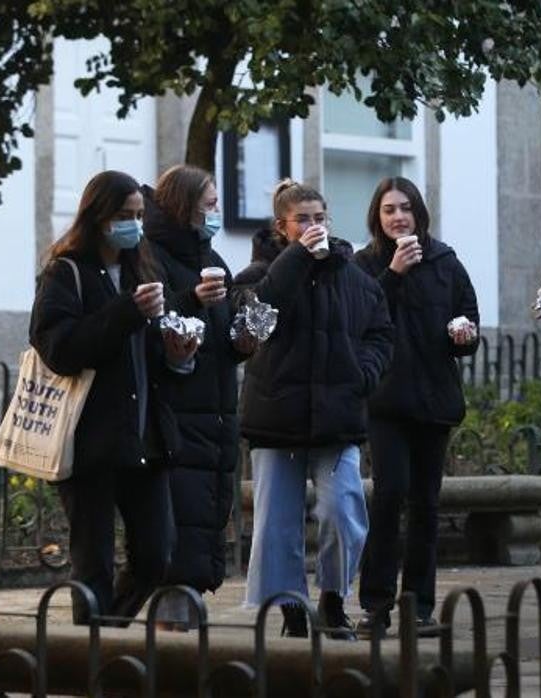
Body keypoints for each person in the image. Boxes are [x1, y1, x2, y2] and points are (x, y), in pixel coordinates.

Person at [29, 170, 196, 626]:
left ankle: (107, 637)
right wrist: (125, 313)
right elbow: (59, 349)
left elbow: (150, 359)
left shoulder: (143, 270)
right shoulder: (66, 273)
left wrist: (179, 356)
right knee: (93, 566)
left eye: (140, 216)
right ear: (98, 216)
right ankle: (91, 664)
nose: (134, 226)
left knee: (156, 555)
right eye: (124, 215)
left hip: (144, 439)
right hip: (90, 442)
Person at [236, 179, 393, 640]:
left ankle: (331, 599)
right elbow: (256, 318)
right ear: (281, 227)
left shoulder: (353, 276)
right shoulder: (258, 275)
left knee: (343, 510)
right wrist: (296, 258)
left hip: (336, 417)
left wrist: (362, 375)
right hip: (275, 418)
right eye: (302, 219)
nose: (313, 227)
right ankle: (291, 611)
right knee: (277, 525)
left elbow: (380, 333)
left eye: (319, 218)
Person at [352, 177, 480, 636]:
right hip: (386, 400)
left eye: (405, 208)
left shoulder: (445, 261)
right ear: (378, 217)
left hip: (434, 398)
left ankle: (418, 607)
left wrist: (465, 336)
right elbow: (358, 317)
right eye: (389, 209)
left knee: (426, 503)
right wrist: (395, 273)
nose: (398, 217)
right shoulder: (364, 265)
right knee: (389, 495)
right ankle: (375, 604)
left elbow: (468, 317)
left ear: (419, 213)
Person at [141, 165, 257, 628]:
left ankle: (183, 612)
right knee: (179, 520)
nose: (216, 212)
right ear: (184, 206)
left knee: (204, 514)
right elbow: (156, 320)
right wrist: (191, 299)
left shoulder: (211, 255)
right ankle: (171, 623)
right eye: (210, 204)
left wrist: (242, 342)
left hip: (215, 414)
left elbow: (220, 338)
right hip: (178, 416)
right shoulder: (151, 255)